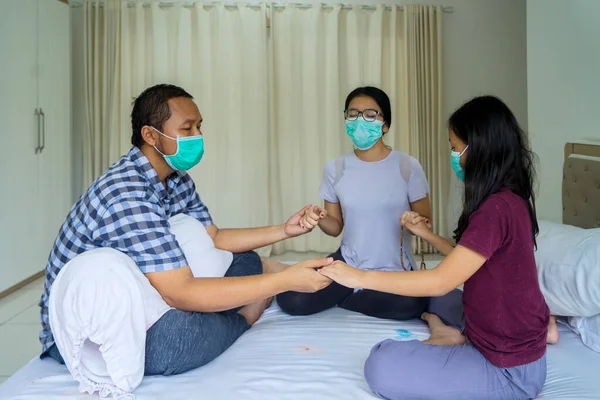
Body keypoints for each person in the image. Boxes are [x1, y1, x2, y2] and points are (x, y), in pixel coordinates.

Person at [39, 83, 333, 376]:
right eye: (188, 129)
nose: (198, 137)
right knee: (178, 343)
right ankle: (245, 315)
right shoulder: (127, 193)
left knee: (246, 259)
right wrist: (282, 281)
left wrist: (285, 230)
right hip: (92, 326)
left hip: (151, 290)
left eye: (199, 127)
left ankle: (221, 306)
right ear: (151, 135)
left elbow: (213, 238)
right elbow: (181, 292)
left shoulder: (177, 179)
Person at [318, 95, 550, 399]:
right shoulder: (507, 200)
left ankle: (454, 335)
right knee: (439, 301)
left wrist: (357, 277)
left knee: (381, 362)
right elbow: (467, 259)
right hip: (508, 338)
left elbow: (441, 280)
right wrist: (424, 234)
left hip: (508, 370)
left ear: (478, 150)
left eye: (455, 149)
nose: (453, 156)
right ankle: (461, 331)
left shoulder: (495, 208)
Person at [277, 86, 463, 330]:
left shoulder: (407, 166)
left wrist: (416, 222)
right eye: (353, 114)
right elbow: (335, 227)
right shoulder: (336, 169)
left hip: (393, 269)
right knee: (291, 299)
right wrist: (318, 218)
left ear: (385, 124)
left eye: (370, 114)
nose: (360, 120)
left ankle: (346, 295)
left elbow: (426, 220)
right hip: (348, 263)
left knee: (410, 304)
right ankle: (351, 290)